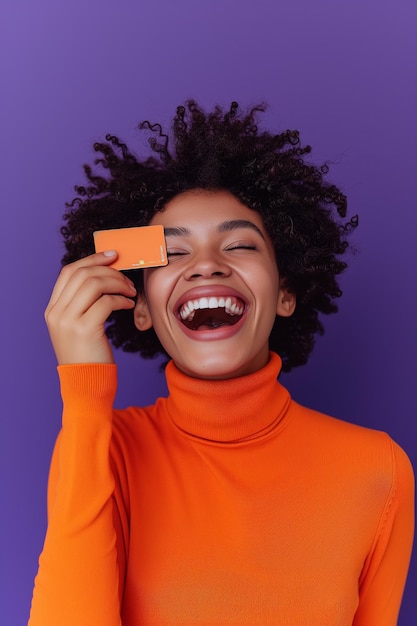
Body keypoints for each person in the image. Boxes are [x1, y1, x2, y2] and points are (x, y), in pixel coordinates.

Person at [29, 101, 414, 626]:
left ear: (285, 292)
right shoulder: (104, 449)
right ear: (140, 307)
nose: (207, 265)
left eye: (238, 244)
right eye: (174, 254)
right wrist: (83, 391)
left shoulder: (379, 470)